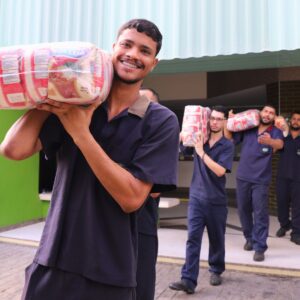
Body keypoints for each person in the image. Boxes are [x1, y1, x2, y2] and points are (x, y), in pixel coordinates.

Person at [0, 19, 180, 300]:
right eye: (127, 44)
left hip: (110, 271)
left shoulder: (160, 121)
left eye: (144, 51)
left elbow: (131, 198)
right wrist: (51, 92)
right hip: (53, 260)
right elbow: (12, 149)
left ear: (153, 63)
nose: (133, 54)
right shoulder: (76, 103)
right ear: (113, 49)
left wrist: (81, 134)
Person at [169, 106, 234, 295]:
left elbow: (220, 170)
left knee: (217, 239)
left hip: (216, 201)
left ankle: (216, 269)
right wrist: (182, 135)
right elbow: (183, 149)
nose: (214, 122)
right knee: (193, 239)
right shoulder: (200, 139)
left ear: (224, 122)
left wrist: (201, 153)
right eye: (212, 118)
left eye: (218, 119)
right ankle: (188, 279)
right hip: (196, 198)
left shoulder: (227, 145)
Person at [225, 105, 284, 262]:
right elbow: (230, 138)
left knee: (260, 213)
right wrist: (229, 122)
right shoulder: (249, 127)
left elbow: (280, 144)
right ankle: (249, 238)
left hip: (261, 180)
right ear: (260, 113)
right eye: (265, 111)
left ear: (273, 117)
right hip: (243, 176)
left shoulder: (275, 131)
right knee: (243, 210)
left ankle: (260, 247)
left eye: (271, 113)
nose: (268, 114)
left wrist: (270, 141)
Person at [136, 87, 161, 300]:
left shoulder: (160, 138)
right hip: (110, 227)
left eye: (143, 101)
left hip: (141, 226)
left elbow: (154, 191)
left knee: (141, 282)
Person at [275, 111, 300, 245]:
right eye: (294, 119)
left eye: (298, 120)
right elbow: (275, 149)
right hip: (282, 177)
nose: (295, 121)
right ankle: (285, 225)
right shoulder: (284, 137)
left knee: (297, 207)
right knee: (282, 204)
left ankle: (296, 232)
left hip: (298, 179)